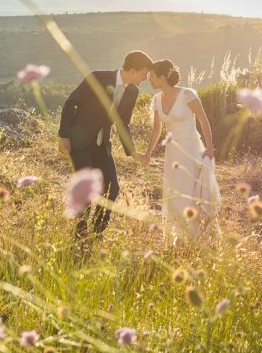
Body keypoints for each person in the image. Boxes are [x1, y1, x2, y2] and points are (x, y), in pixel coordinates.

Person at [58, 50, 153, 242]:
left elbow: (122, 123)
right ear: (133, 70)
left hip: (102, 145)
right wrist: (63, 135)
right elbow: (71, 102)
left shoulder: (133, 91)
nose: (144, 79)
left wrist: (132, 151)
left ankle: (97, 233)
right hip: (80, 142)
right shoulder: (98, 78)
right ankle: (80, 233)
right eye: (143, 74)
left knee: (113, 188)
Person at [138, 59, 221, 241]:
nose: (149, 79)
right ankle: (180, 238)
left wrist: (209, 147)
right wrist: (148, 154)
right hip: (172, 152)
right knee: (175, 193)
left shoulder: (187, 94)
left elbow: (203, 119)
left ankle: (199, 238)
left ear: (161, 77)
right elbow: (157, 129)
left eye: (151, 76)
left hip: (191, 149)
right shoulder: (156, 99)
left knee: (192, 193)